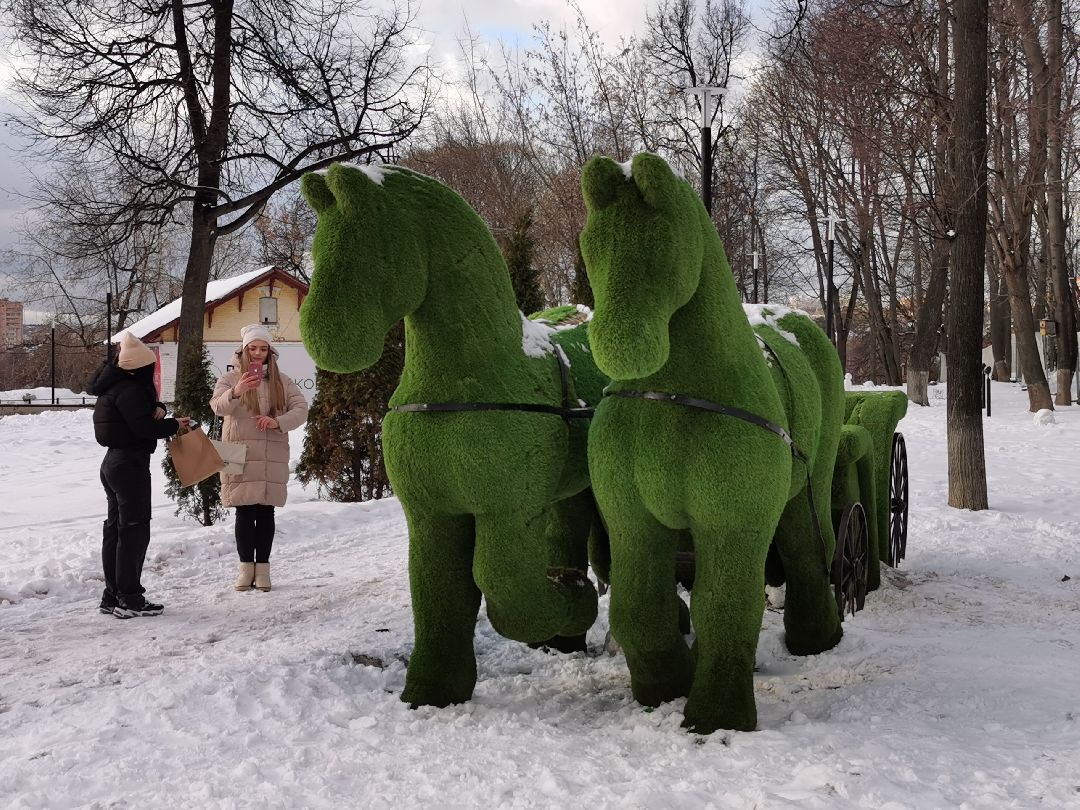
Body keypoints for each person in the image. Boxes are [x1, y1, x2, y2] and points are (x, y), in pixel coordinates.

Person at [88, 331, 191, 618]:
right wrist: (174, 425)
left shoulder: (114, 388)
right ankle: (129, 599)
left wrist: (158, 408)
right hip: (130, 465)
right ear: (141, 368)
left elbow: (140, 417)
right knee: (133, 531)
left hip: (112, 464)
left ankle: (112, 595)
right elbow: (144, 428)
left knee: (116, 529)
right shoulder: (131, 390)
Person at [210, 324, 308, 592]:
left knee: (266, 511)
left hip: (270, 452)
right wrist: (238, 390)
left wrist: (277, 421)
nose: (257, 354)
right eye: (252, 348)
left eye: (263, 349)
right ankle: (245, 570)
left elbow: (301, 409)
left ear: (269, 352)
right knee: (244, 511)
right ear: (244, 350)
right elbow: (217, 407)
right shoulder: (230, 378)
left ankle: (263, 570)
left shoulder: (281, 381)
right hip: (236, 450)